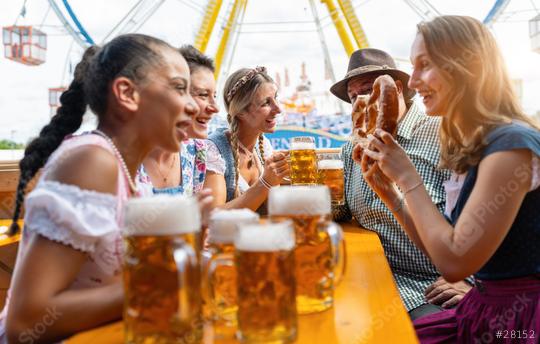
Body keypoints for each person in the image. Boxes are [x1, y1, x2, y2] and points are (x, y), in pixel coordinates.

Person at [1, 34, 198, 343]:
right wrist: (154, 285)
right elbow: (25, 322)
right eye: (179, 88)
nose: (194, 105)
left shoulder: (128, 176)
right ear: (127, 93)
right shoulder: (92, 161)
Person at [360, 15, 540, 342]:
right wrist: (390, 192)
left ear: (468, 67)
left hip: (521, 320)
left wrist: (408, 177)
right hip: (486, 305)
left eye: (424, 65)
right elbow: (441, 253)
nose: (412, 82)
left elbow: (456, 264)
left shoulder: (511, 147)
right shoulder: (473, 145)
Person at [330, 48, 472, 319]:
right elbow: (342, 211)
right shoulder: (352, 150)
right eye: (352, 97)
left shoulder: (447, 136)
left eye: (368, 91)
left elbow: (486, 217)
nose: (360, 103)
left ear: (395, 89)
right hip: (372, 274)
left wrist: (474, 282)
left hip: (431, 286)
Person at [137, 45, 219, 198]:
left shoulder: (198, 152)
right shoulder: (120, 156)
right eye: (202, 94)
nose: (215, 108)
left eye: (214, 95)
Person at [204, 67, 289, 214]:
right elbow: (212, 216)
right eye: (266, 103)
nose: (278, 109)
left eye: (276, 98)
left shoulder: (264, 146)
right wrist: (266, 182)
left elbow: (272, 209)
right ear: (241, 112)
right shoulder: (214, 149)